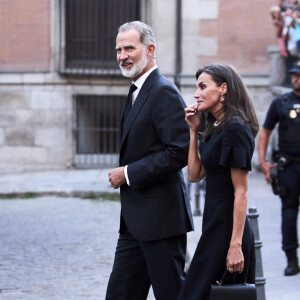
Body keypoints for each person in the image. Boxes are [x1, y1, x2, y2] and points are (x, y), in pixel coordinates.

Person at [105, 21, 194, 300]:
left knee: (171, 294)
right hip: (133, 223)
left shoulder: (163, 90)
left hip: (161, 222)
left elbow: (179, 151)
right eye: (119, 49)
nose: (122, 56)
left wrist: (128, 173)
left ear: (150, 49)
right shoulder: (136, 89)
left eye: (129, 48)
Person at [178, 64, 258, 300]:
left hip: (229, 231)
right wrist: (193, 131)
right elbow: (194, 174)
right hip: (214, 225)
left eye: (203, 86)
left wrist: (235, 246)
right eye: (196, 87)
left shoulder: (236, 129)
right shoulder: (211, 125)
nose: (196, 94)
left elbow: (241, 191)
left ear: (223, 89)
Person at [258, 61, 300, 276]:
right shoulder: (281, 102)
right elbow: (264, 131)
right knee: (289, 212)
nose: (295, 78)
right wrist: (263, 162)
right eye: (293, 74)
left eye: (298, 75)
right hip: (288, 167)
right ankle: (291, 259)